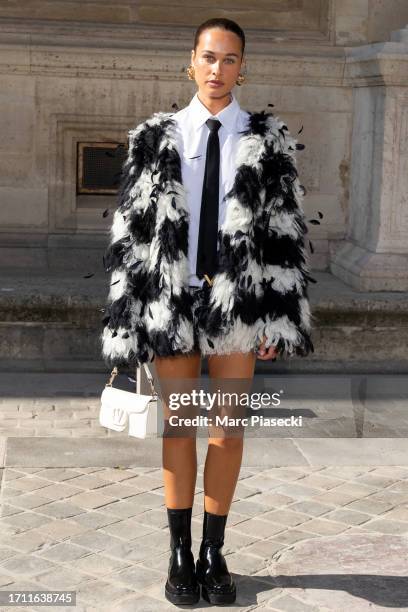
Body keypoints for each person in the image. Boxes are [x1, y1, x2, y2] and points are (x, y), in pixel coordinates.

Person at [100, 16, 314, 606]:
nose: (218, 70)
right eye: (209, 58)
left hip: (238, 304)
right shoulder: (155, 139)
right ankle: (178, 552)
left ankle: (214, 551)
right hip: (173, 300)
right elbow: (132, 238)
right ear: (189, 62)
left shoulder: (267, 141)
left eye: (229, 59)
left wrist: (280, 319)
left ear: (243, 67)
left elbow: (284, 236)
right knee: (180, 427)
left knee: (228, 431)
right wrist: (128, 322)